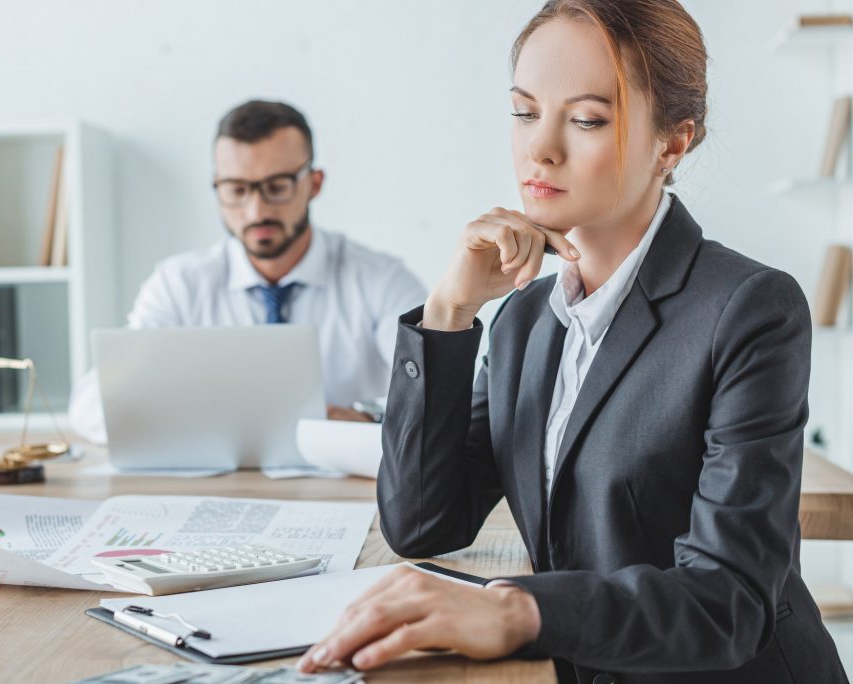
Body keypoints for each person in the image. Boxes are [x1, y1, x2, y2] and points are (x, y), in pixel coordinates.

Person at [297, 1, 848, 682]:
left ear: (673, 143)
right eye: (525, 112)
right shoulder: (526, 318)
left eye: (586, 119)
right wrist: (448, 312)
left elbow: (727, 600)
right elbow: (422, 523)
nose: (541, 148)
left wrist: (516, 611)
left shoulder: (748, 309)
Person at [68, 100, 427, 444]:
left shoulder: (380, 280)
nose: (256, 211)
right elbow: (89, 409)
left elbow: (438, 391)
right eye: (236, 189)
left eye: (276, 187)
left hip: (342, 486)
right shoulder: (179, 285)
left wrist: (369, 417)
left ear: (314, 184)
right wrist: (210, 418)